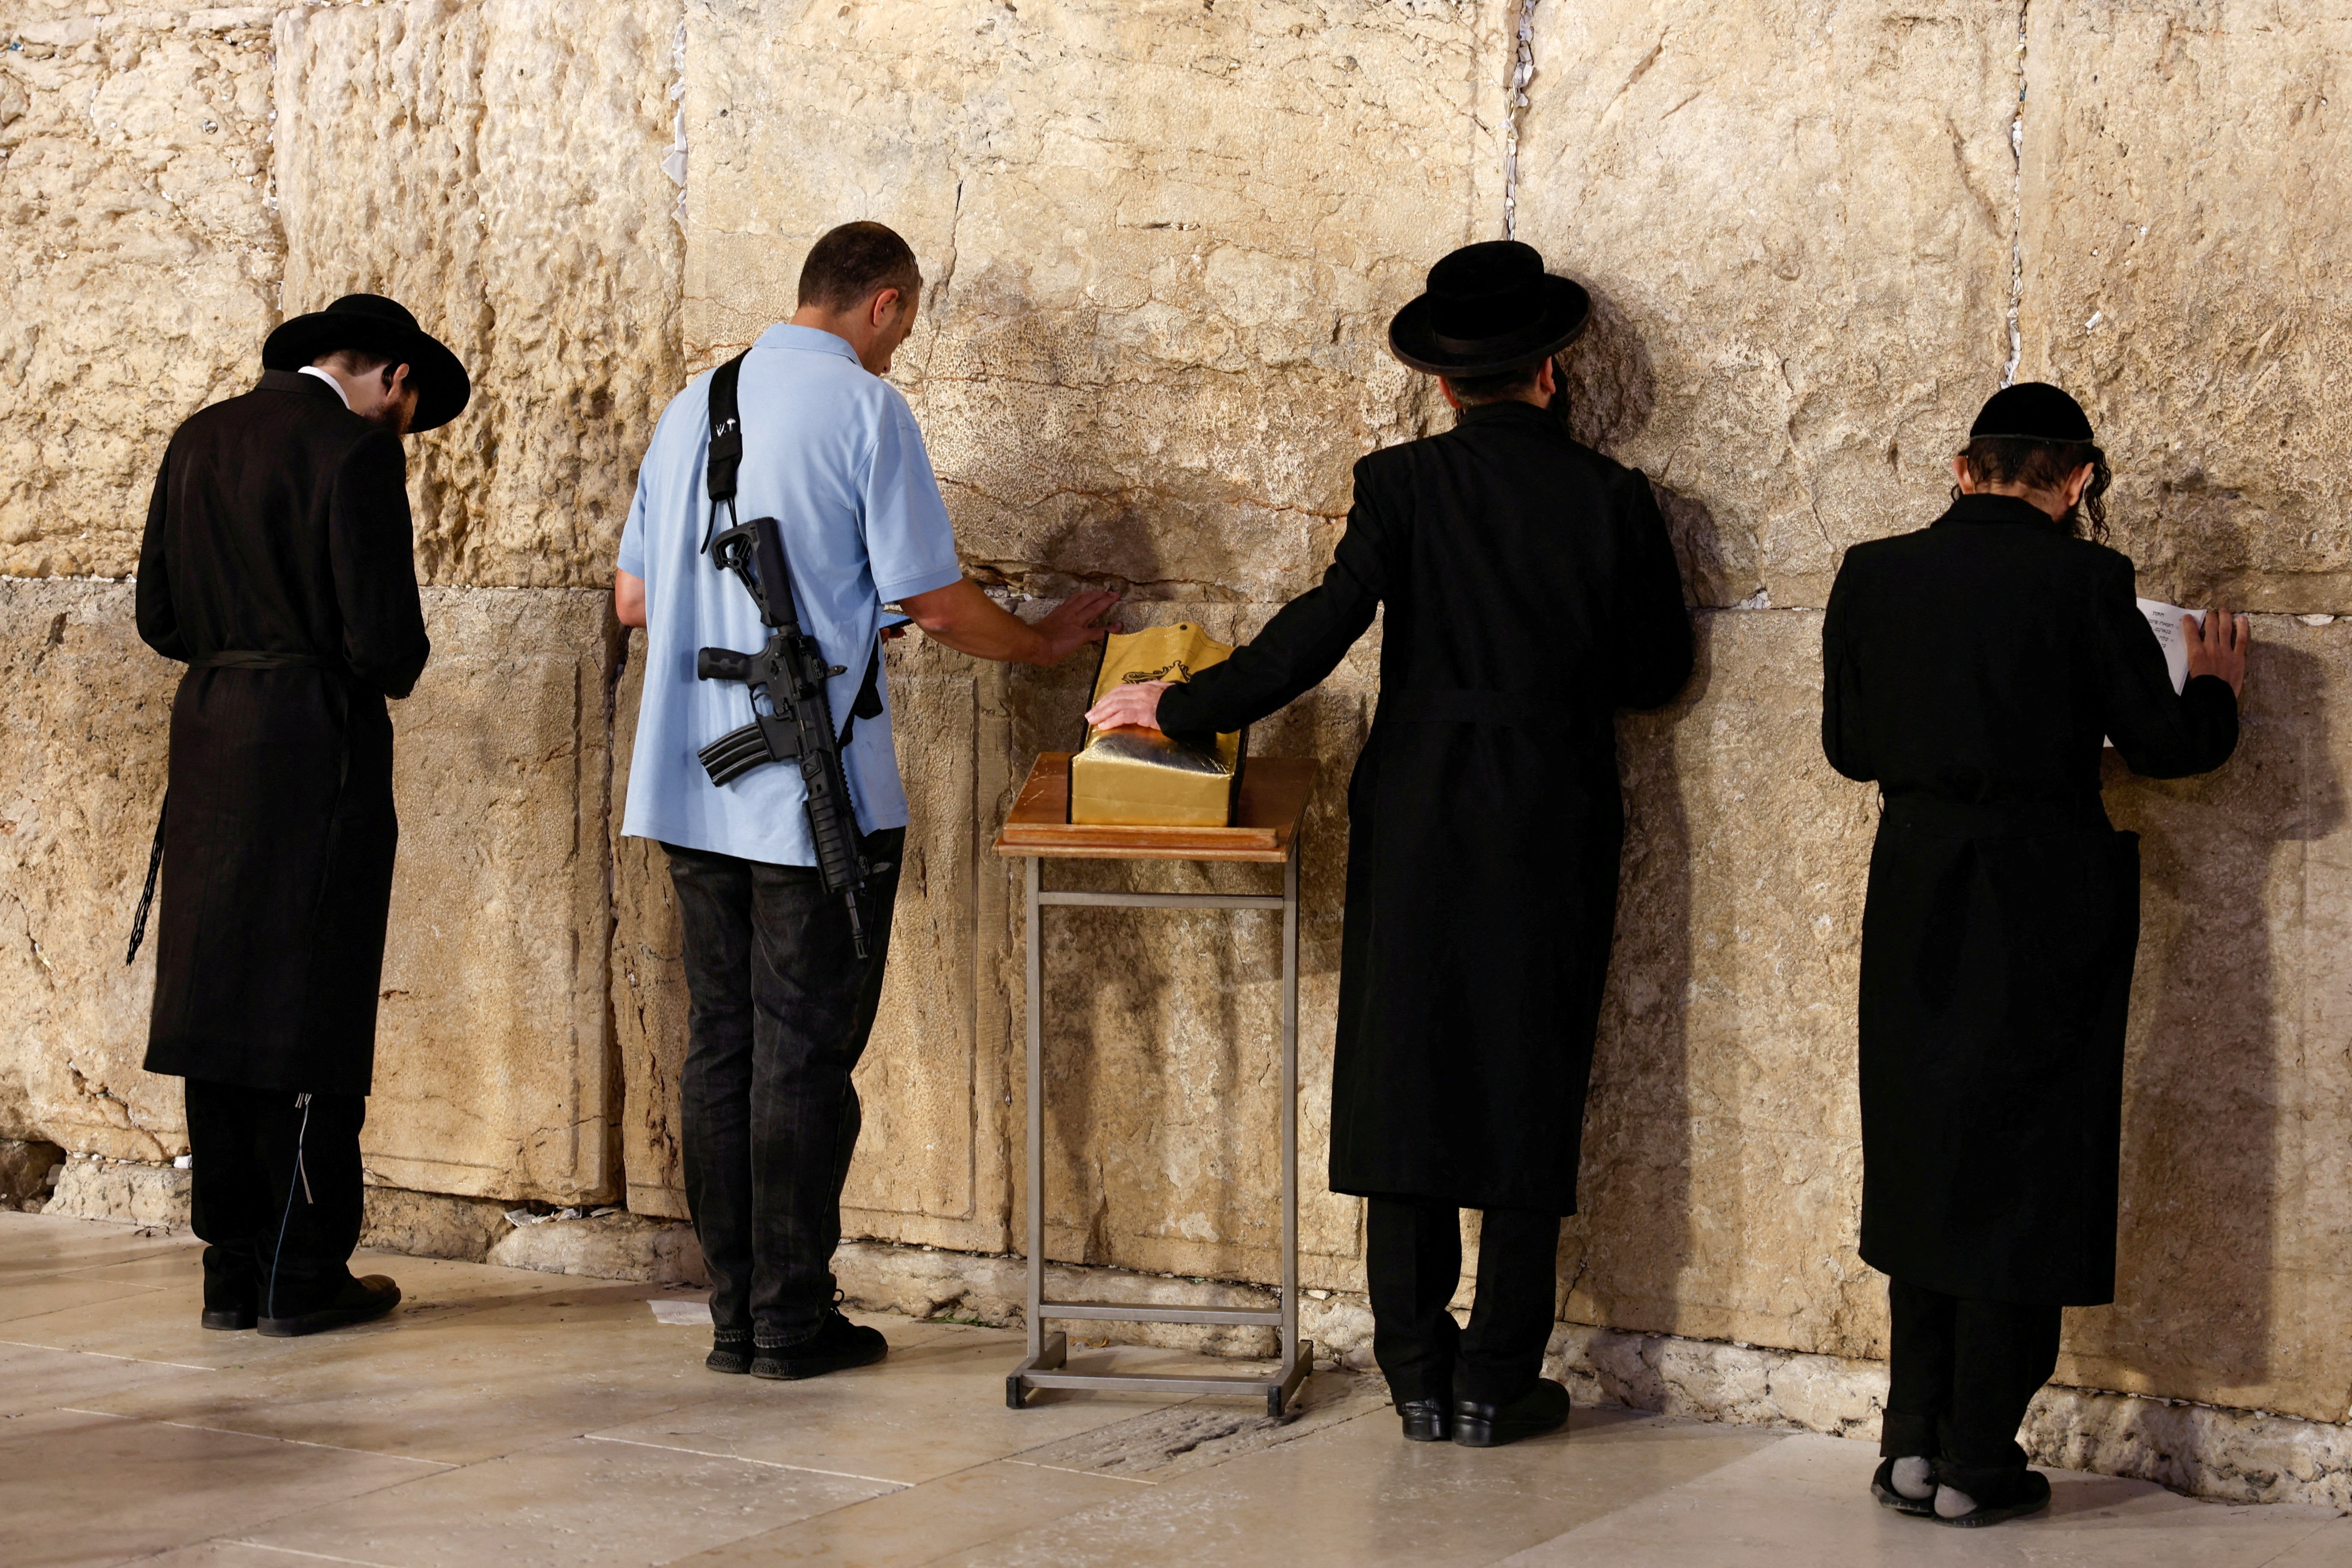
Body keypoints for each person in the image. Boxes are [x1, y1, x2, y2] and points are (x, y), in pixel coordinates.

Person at [1086, 240, 1693, 1447]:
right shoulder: (1613, 500)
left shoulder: (1401, 485)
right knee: (1532, 1069)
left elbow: (1320, 627)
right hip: (1552, 808)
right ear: (1551, 373)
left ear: (1441, 384)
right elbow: (1656, 671)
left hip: (1420, 806)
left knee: (1405, 1064)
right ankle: (1492, 1382)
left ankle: (1415, 1369)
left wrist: (1185, 706)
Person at [614, 221, 1116, 1381]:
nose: (898, 349)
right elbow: (934, 601)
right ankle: (792, 1318)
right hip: (805, 793)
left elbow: (640, 600)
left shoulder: (693, 405)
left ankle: (737, 1314)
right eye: (904, 325)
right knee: (801, 1054)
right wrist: (1042, 645)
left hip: (691, 783)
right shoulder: (864, 410)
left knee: (722, 1046)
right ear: (883, 304)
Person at [1820, 382, 2246, 1527]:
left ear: (1963, 468)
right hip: (2041, 896)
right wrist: (2211, 688)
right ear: (2077, 481)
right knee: (2021, 1163)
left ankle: (1906, 1444)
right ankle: (1975, 1458)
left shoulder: (1871, 571)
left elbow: (1849, 745)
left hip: (1913, 886)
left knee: (1923, 1153)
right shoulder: (2086, 579)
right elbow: (2163, 746)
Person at [135, 293, 470, 1337]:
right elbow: (388, 649)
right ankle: (302, 1268)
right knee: (308, 997)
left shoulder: (200, 438)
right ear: (394, 380)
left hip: (211, 738)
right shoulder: (355, 455)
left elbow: (159, 616)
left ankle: (231, 1271)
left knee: (218, 1004)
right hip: (314, 748)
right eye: (411, 409)